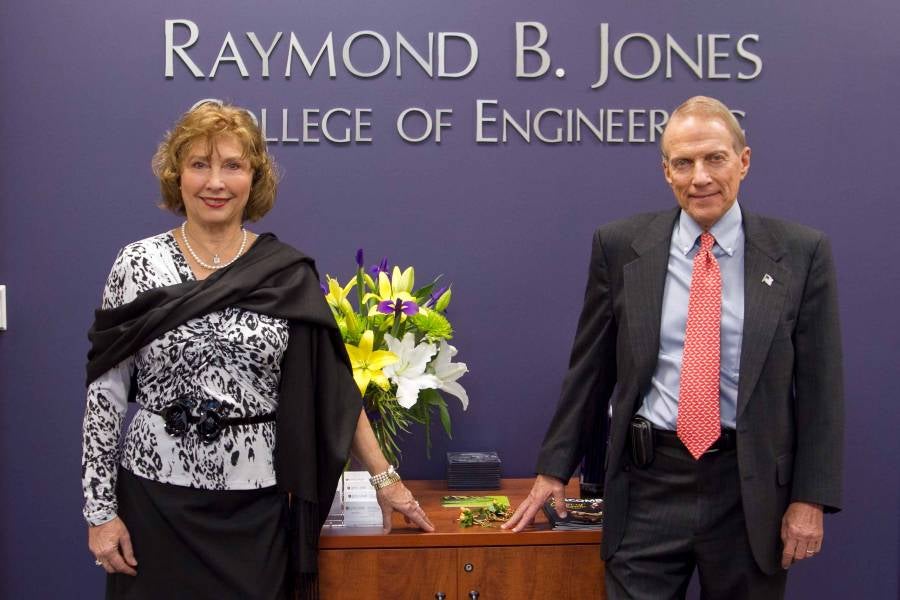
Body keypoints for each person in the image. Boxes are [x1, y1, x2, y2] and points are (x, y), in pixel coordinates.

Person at [81, 99, 434, 600]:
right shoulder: (136, 265)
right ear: (176, 175)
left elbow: (331, 389)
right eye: (199, 165)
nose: (216, 182)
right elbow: (105, 395)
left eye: (232, 165)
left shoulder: (285, 273)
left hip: (255, 510)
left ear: (255, 177)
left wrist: (386, 479)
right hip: (152, 504)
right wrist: (100, 513)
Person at [503, 96, 844, 599]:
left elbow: (820, 389)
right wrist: (554, 470)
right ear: (666, 171)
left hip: (748, 494)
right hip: (647, 487)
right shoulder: (619, 247)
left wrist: (810, 498)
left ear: (744, 161)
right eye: (683, 163)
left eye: (715, 159)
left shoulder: (800, 253)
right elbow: (590, 373)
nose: (700, 177)